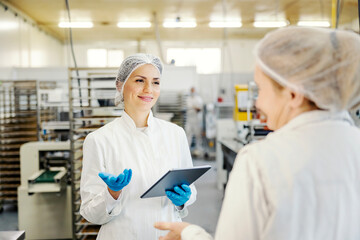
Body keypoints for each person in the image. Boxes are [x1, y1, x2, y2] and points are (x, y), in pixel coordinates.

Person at [154, 27, 360, 239]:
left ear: (294, 94)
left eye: (260, 90)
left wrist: (190, 234)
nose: (256, 102)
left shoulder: (260, 160)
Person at [80, 53, 197, 239]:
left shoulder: (175, 134)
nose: (148, 89)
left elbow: (191, 193)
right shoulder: (99, 140)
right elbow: (89, 211)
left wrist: (183, 199)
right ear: (120, 85)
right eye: (139, 80)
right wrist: (112, 193)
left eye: (156, 82)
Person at [185, 87, 204, 156]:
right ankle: (187, 151)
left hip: (197, 120)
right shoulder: (188, 99)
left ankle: (199, 150)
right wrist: (194, 107)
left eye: (193, 91)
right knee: (188, 135)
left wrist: (195, 108)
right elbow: (189, 107)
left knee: (198, 135)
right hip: (189, 120)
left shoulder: (198, 99)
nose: (192, 92)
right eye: (191, 91)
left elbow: (199, 109)